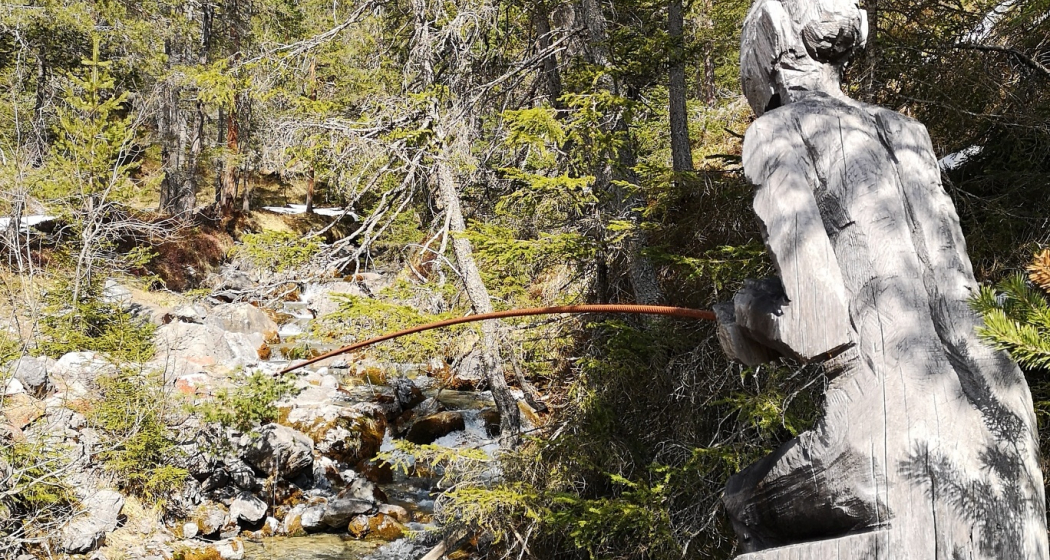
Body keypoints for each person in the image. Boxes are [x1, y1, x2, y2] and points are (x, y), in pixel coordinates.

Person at [716, 0, 1048, 557]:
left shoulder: (777, 132)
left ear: (771, 42)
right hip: (1006, 419)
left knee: (741, 504)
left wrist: (747, 313)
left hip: (887, 430)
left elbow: (817, 326)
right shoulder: (910, 133)